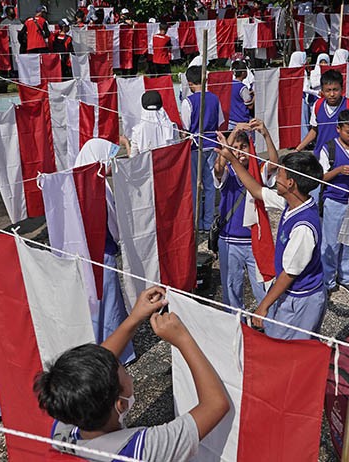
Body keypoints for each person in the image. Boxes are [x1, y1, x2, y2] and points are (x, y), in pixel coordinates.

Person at [35, 286, 230, 461]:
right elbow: (215, 404)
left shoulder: (67, 418)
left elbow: (98, 362)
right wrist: (182, 339)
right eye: (125, 372)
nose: (130, 375)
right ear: (120, 404)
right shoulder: (143, 450)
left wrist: (134, 318)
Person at [217, 147, 326, 340]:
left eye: (280, 174)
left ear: (291, 183)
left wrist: (263, 306)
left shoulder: (303, 228)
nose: (276, 178)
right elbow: (257, 190)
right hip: (292, 295)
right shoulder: (292, 202)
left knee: (288, 348)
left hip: (301, 298)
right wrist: (232, 159)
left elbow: (289, 274)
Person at [74, 138, 135, 364]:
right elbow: (113, 224)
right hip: (103, 255)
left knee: (93, 307)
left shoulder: (74, 183)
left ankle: (96, 350)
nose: (111, 164)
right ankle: (114, 352)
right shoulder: (99, 187)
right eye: (108, 159)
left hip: (82, 258)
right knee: (108, 307)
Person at [213, 120, 278, 310]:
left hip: (253, 240)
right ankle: (237, 325)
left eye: (243, 146)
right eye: (235, 148)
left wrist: (266, 134)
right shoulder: (227, 170)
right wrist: (232, 136)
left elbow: (274, 163)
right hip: (229, 239)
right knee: (231, 288)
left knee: (263, 287)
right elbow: (218, 168)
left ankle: (266, 322)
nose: (240, 151)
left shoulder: (258, 168)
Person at [318, 109, 349, 295]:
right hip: (334, 201)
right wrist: (337, 171)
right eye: (348, 132)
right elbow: (320, 177)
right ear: (338, 129)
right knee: (331, 242)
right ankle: (327, 280)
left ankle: (347, 277)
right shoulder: (329, 148)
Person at [182, 66, 225, 232]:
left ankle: (197, 221)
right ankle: (207, 222)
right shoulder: (214, 99)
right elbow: (220, 120)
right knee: (209, 184)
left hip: (195, 147)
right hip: (211, 144)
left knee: (194, 186)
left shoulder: (189, 101)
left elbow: (186, 127)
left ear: (190, 83)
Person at [295, 69, 349, 162]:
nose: (332, 94)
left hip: (344, 158)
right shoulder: (318, 105)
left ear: (342, 89)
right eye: (328, 90)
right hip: (321, 157)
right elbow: (314, 130)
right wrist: (298, 149)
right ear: (322, 91)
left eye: (335, 90)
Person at [125, 90, 177, 156]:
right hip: (168, 164)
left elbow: (133, 157)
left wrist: (126, 143)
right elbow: (176, 150)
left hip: (148, 165)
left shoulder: (137, 130)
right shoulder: (172, 127)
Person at [229, 60, 254, 130]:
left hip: (230, 121)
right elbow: (250, 106)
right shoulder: (242, 88)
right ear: (243, 73)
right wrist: (255, 96)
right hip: (241, 121)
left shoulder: (229, 85)